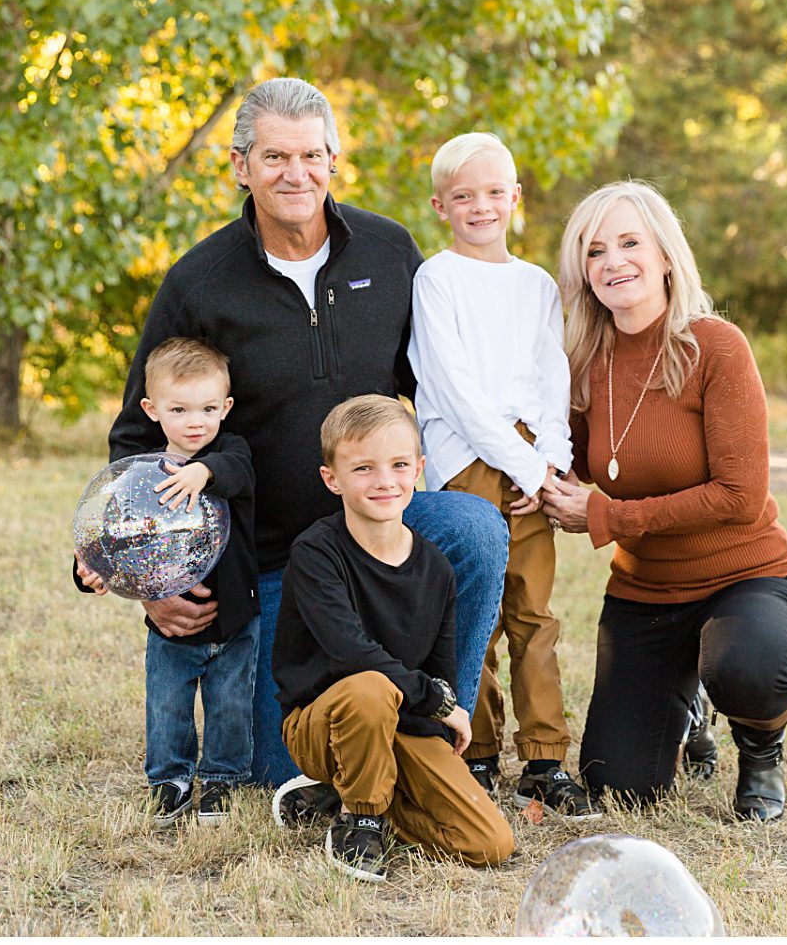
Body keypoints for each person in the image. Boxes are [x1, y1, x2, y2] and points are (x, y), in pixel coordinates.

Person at [105, 76, 509, 805]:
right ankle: (363, 735)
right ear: (240, 165)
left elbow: (444, 378)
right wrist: (155, 585)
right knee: (279, 772)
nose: (297, 173)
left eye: (312, 155)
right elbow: (135, 438)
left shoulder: (390, 252)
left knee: (476, 527)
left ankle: (440, 726)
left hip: (380, 526)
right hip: (272, 562)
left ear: (334, 158)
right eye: (275, 156)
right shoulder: (200, 280)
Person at [538, 180, 787, 822]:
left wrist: (606, 516)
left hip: (748, 580)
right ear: (582, 271)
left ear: (666, 255)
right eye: (595, 250)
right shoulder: (581, 361)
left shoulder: (715, 345)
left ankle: (761, 747)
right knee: (620, 788)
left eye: (631, 242)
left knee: (749, 667)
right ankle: (685, 702)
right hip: (646, 596)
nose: (614, 261)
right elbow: (572, 463)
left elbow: (741, 496)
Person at [407, 131, 596, 816]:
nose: (480, 206)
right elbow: (453, 389)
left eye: (493, 193)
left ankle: (544, 758)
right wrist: (519, 462)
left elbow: (553, 376)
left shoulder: (537, 284)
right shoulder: (437, 278)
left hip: (529, 464)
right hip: (466, 463)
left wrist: (549, 463)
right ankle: (477, 750)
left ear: (515, 197)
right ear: (440, 205)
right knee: (473, 615)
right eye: (464, 196)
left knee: (533, 614)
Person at [272, 395, 516, 882]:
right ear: (332, 479)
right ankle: (360, 820)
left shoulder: (437, 568)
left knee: (489, 844)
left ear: (418, 469)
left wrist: (436, 741)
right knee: (370, 685)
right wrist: (440, 702)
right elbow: (351, 653)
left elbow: (440, 668)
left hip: (401, 719)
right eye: (363, 468)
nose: (384, 480)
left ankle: (345, 794)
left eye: (399, 464)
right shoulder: (317, 552)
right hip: (325, 722)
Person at [76, 337, 256, 826]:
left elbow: (238, 471)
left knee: (231, 706)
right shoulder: (138, 477)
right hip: (171, 625)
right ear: (152, 410)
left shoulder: (230, 453)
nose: (195, 421)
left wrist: (202, 472)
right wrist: (93, 572)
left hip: (236, 616)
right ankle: (170, 780)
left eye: (208, 408)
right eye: (179, 409)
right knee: (168, 704)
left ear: (227, 407)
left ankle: (222, 780)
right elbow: (116, 536)